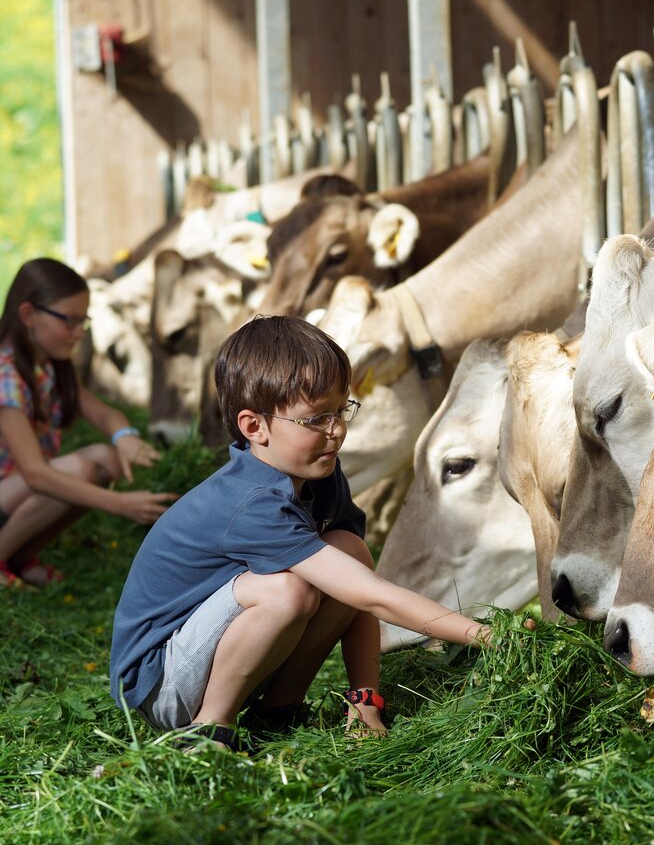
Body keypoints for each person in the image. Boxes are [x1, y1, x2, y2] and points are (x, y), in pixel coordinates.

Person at [110, 314, 490, 750]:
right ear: (255, 427)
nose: (338, 431)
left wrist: (365, 700)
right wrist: (484, 634)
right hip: (159, 682)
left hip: (215, 655)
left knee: (349, 551)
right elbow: (373, 595)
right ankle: (211, 729)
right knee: (287, 592)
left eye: (342, 409)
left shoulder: (318, 473)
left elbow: (356, 587)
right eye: (316, 419)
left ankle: (279, 710)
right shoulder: (252, 502)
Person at [0, 258, 175, 586]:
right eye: (70, 321)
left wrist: (124, 435)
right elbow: (36, 474)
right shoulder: (6, 376)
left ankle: (20, 560)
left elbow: (103, 413)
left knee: (105, 458)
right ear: (28, 316)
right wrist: (120, 504)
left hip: (12, 493)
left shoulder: (49, 366)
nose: (80, 332)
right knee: (79, 470)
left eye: (84, 321)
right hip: (14, 486)